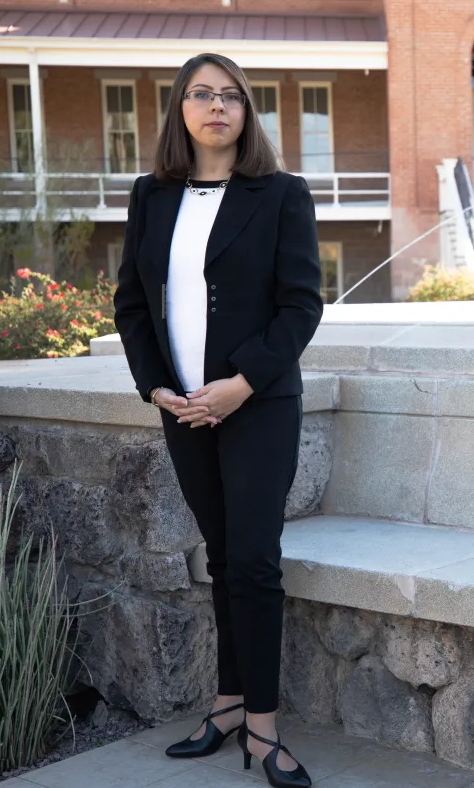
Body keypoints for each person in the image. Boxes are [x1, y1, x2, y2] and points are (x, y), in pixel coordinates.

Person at [114, 52, 322, 788]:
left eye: (230, 96)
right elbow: (133, 307)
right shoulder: (151, 196)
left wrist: (242, 382)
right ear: (180, 109)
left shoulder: (280, 194)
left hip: (256, 405)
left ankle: (263, 728)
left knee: (256, 560)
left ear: (245, 113)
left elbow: (302, 305)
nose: (216, 106)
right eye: (201, 94)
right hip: (184, 410)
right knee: (223, 556)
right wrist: (155, 388)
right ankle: (229, 700)